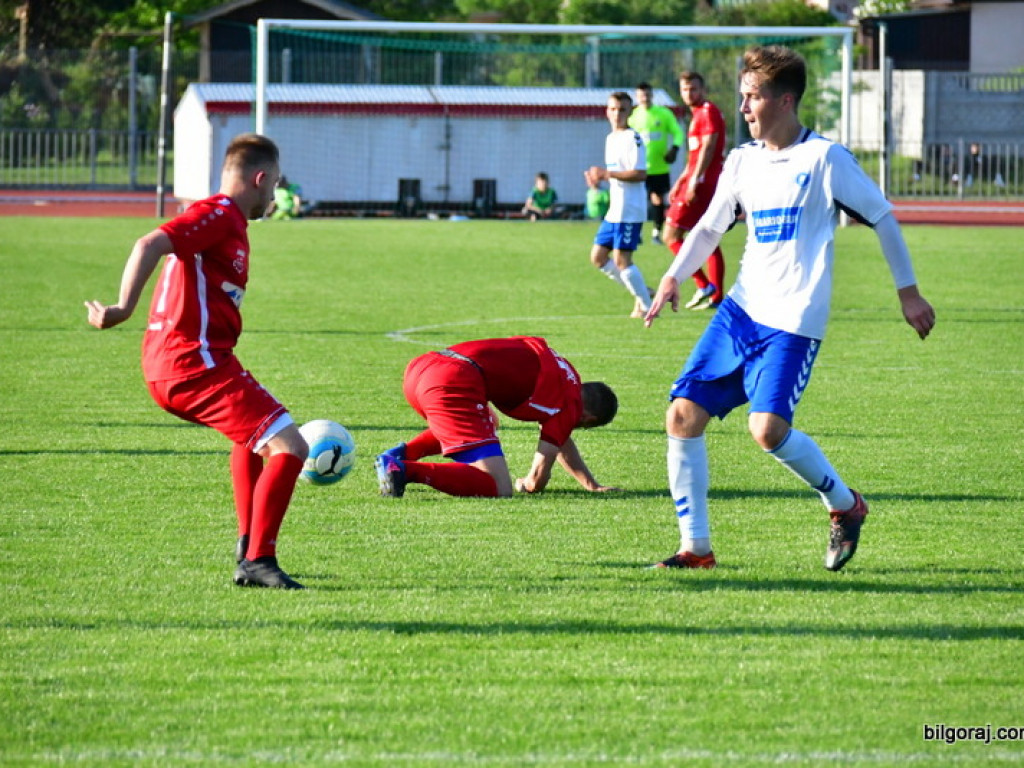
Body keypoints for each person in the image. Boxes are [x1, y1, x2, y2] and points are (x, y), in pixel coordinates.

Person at [644, 45, 936, 572]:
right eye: (742, 97)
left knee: (767, 431)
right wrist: (671, 277)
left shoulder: (824, 158)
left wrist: (908, 293)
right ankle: (697, 550)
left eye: (753, 97)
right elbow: (711, 227)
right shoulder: (742, 160)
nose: (745, 107)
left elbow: (883, 217)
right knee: (682, 416)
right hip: (741, 312)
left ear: (784, 100)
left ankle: (845, 504)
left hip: (794, 321)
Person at [84, 133, 309, 590]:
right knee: (291, 447)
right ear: (260, 179)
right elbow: (149, 242)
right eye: (274, 185)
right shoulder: (219, 214)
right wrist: (123, 308)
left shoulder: (226, 221)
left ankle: (249, 545)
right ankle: (258, 560)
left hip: (198, 361)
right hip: (192, 364)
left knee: (253, 439)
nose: (274, 196)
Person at [374, 337, 619, 498]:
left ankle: (398, 456)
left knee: (489, 420)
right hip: (452, 381)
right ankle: (403, 470)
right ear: (588, 418)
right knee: (499, 486)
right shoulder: (571, 404)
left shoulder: (563, 374)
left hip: (422, 368)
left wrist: (590, 484)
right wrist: (528, 483)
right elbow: (537, 479)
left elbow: (560, 440)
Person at [663, 71, 728, 311]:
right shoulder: (697, 114)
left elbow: (708, 148)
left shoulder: (708, 111)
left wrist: (693, 182)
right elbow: (695, 155)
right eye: (685, 89)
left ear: (703, 90)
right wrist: (682, 179)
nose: (689, 93)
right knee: (708, 236)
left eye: (693, 89)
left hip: (702, 183)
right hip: (698, 180)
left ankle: (704, 285)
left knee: (670, 234)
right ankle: (717, 295)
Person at [585, 91, 652, 319]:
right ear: (607, 111)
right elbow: (613, 175)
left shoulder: (633, 138)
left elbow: (640, 173)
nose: (617, 114)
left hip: (630, 211)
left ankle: (646, 306)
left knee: (622, 261)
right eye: (613, 109)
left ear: (630, 112)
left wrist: (607, 173)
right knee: (598, 257)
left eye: (622, 109)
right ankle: (642, 293)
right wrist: (598, 180)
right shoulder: (610, 138)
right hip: (615, 210)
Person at [628, 82, 684, 245]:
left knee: (658, 200)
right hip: (639, 168)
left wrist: (674, 148)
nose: (644, 98)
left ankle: (655, 232)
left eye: (647, 94)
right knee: (637, 201)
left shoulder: (663, 113)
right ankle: (636, 233)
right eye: (641, 95)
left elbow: (678, 132)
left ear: (652, 95)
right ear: (637, 97)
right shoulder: (633, 117)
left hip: (659, 168)